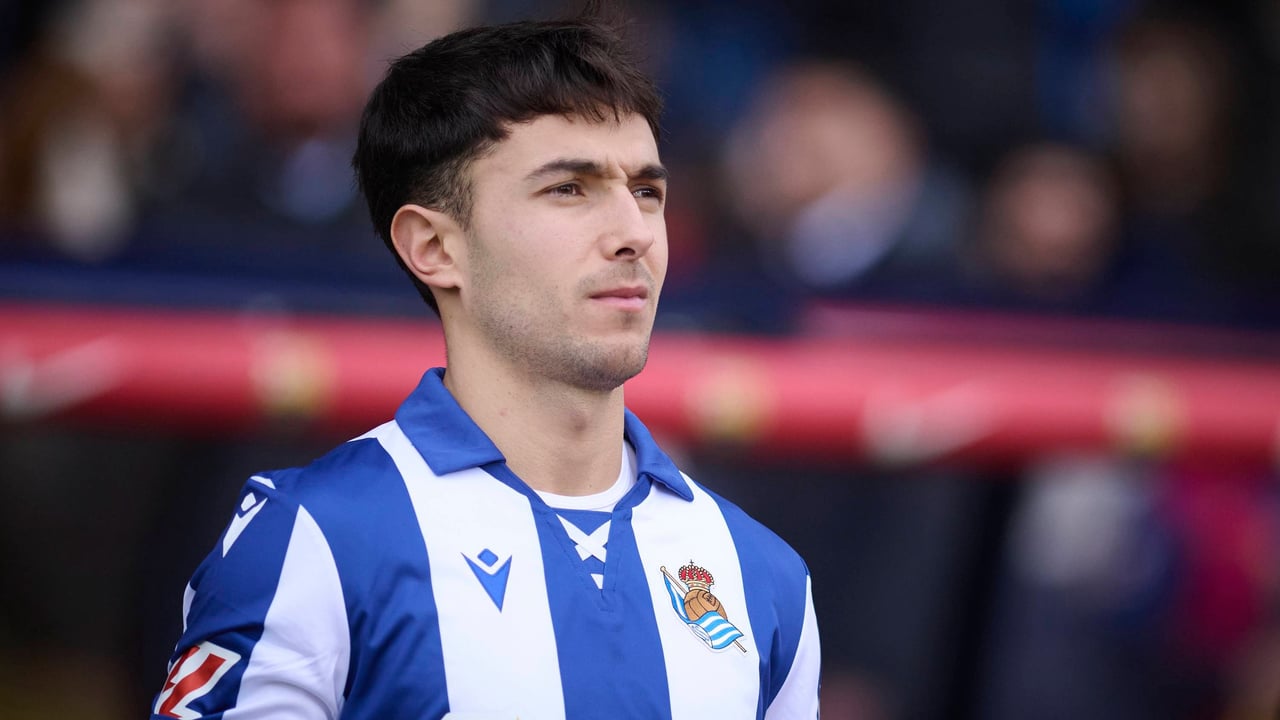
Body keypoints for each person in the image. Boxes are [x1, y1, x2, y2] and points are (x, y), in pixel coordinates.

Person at [149, 11, 820, 720]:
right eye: (569, 188)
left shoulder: (762, 573)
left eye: (646, 192)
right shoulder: (313, 538)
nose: (633, 233)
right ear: (434, 247)